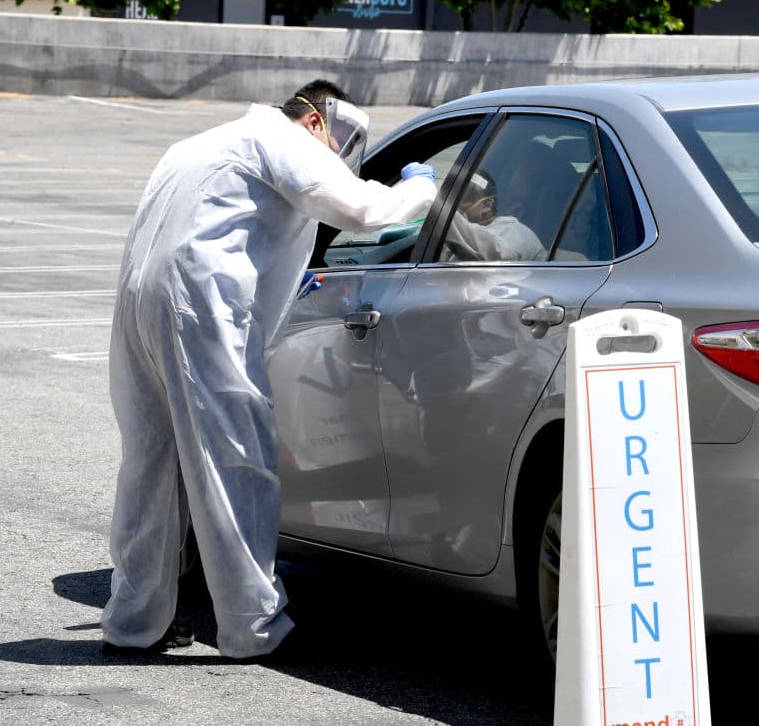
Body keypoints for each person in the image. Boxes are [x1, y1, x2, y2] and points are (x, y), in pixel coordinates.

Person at [101, 79, 437, 658]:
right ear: (313, 122)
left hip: (140, 301)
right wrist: (420, 191)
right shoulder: (279, 137)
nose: (334, 160)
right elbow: (361, 210)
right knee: (236, 457)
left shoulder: (199, 143)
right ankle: (252, 625)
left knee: (150, 466)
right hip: (200, 304)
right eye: (337, 148)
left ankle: (134, 622)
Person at [442, 169, 546, 261]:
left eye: (464, 200)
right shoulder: (461, 239)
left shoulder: (517, 233)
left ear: (487, 204)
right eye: (454, 201)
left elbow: (497, 254)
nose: (457, 207)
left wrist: (443, 212)